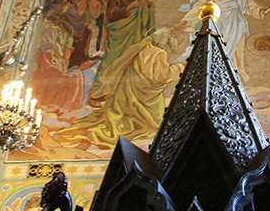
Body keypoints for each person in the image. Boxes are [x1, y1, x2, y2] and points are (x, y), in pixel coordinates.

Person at [54, 29, 182, 149]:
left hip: (127, 94)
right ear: (164, 41)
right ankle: (91, 137)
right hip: (143, 100)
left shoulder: (142, 48)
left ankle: (85, 140)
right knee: (143, 125)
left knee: (115, 119)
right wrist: (181, 67)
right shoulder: (158, 53)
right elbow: (161, 76)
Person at [176, 0, 270, 68]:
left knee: (234, 47)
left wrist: (258, 9)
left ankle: (236, 73)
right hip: (216, 21)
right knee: (214, 45)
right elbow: (199, 6)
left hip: (234, 20)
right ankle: (214, 69)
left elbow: (245, 3)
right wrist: (187, 21)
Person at [88, 0, 158, 102]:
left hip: (134, 38)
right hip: (119, 37)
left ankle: (125, 94)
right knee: (112, 62)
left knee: (132, 64)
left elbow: (142, 17)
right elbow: (111, 15)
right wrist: (129, 7)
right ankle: (98, 93)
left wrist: (148, 4)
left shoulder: (141, 1)